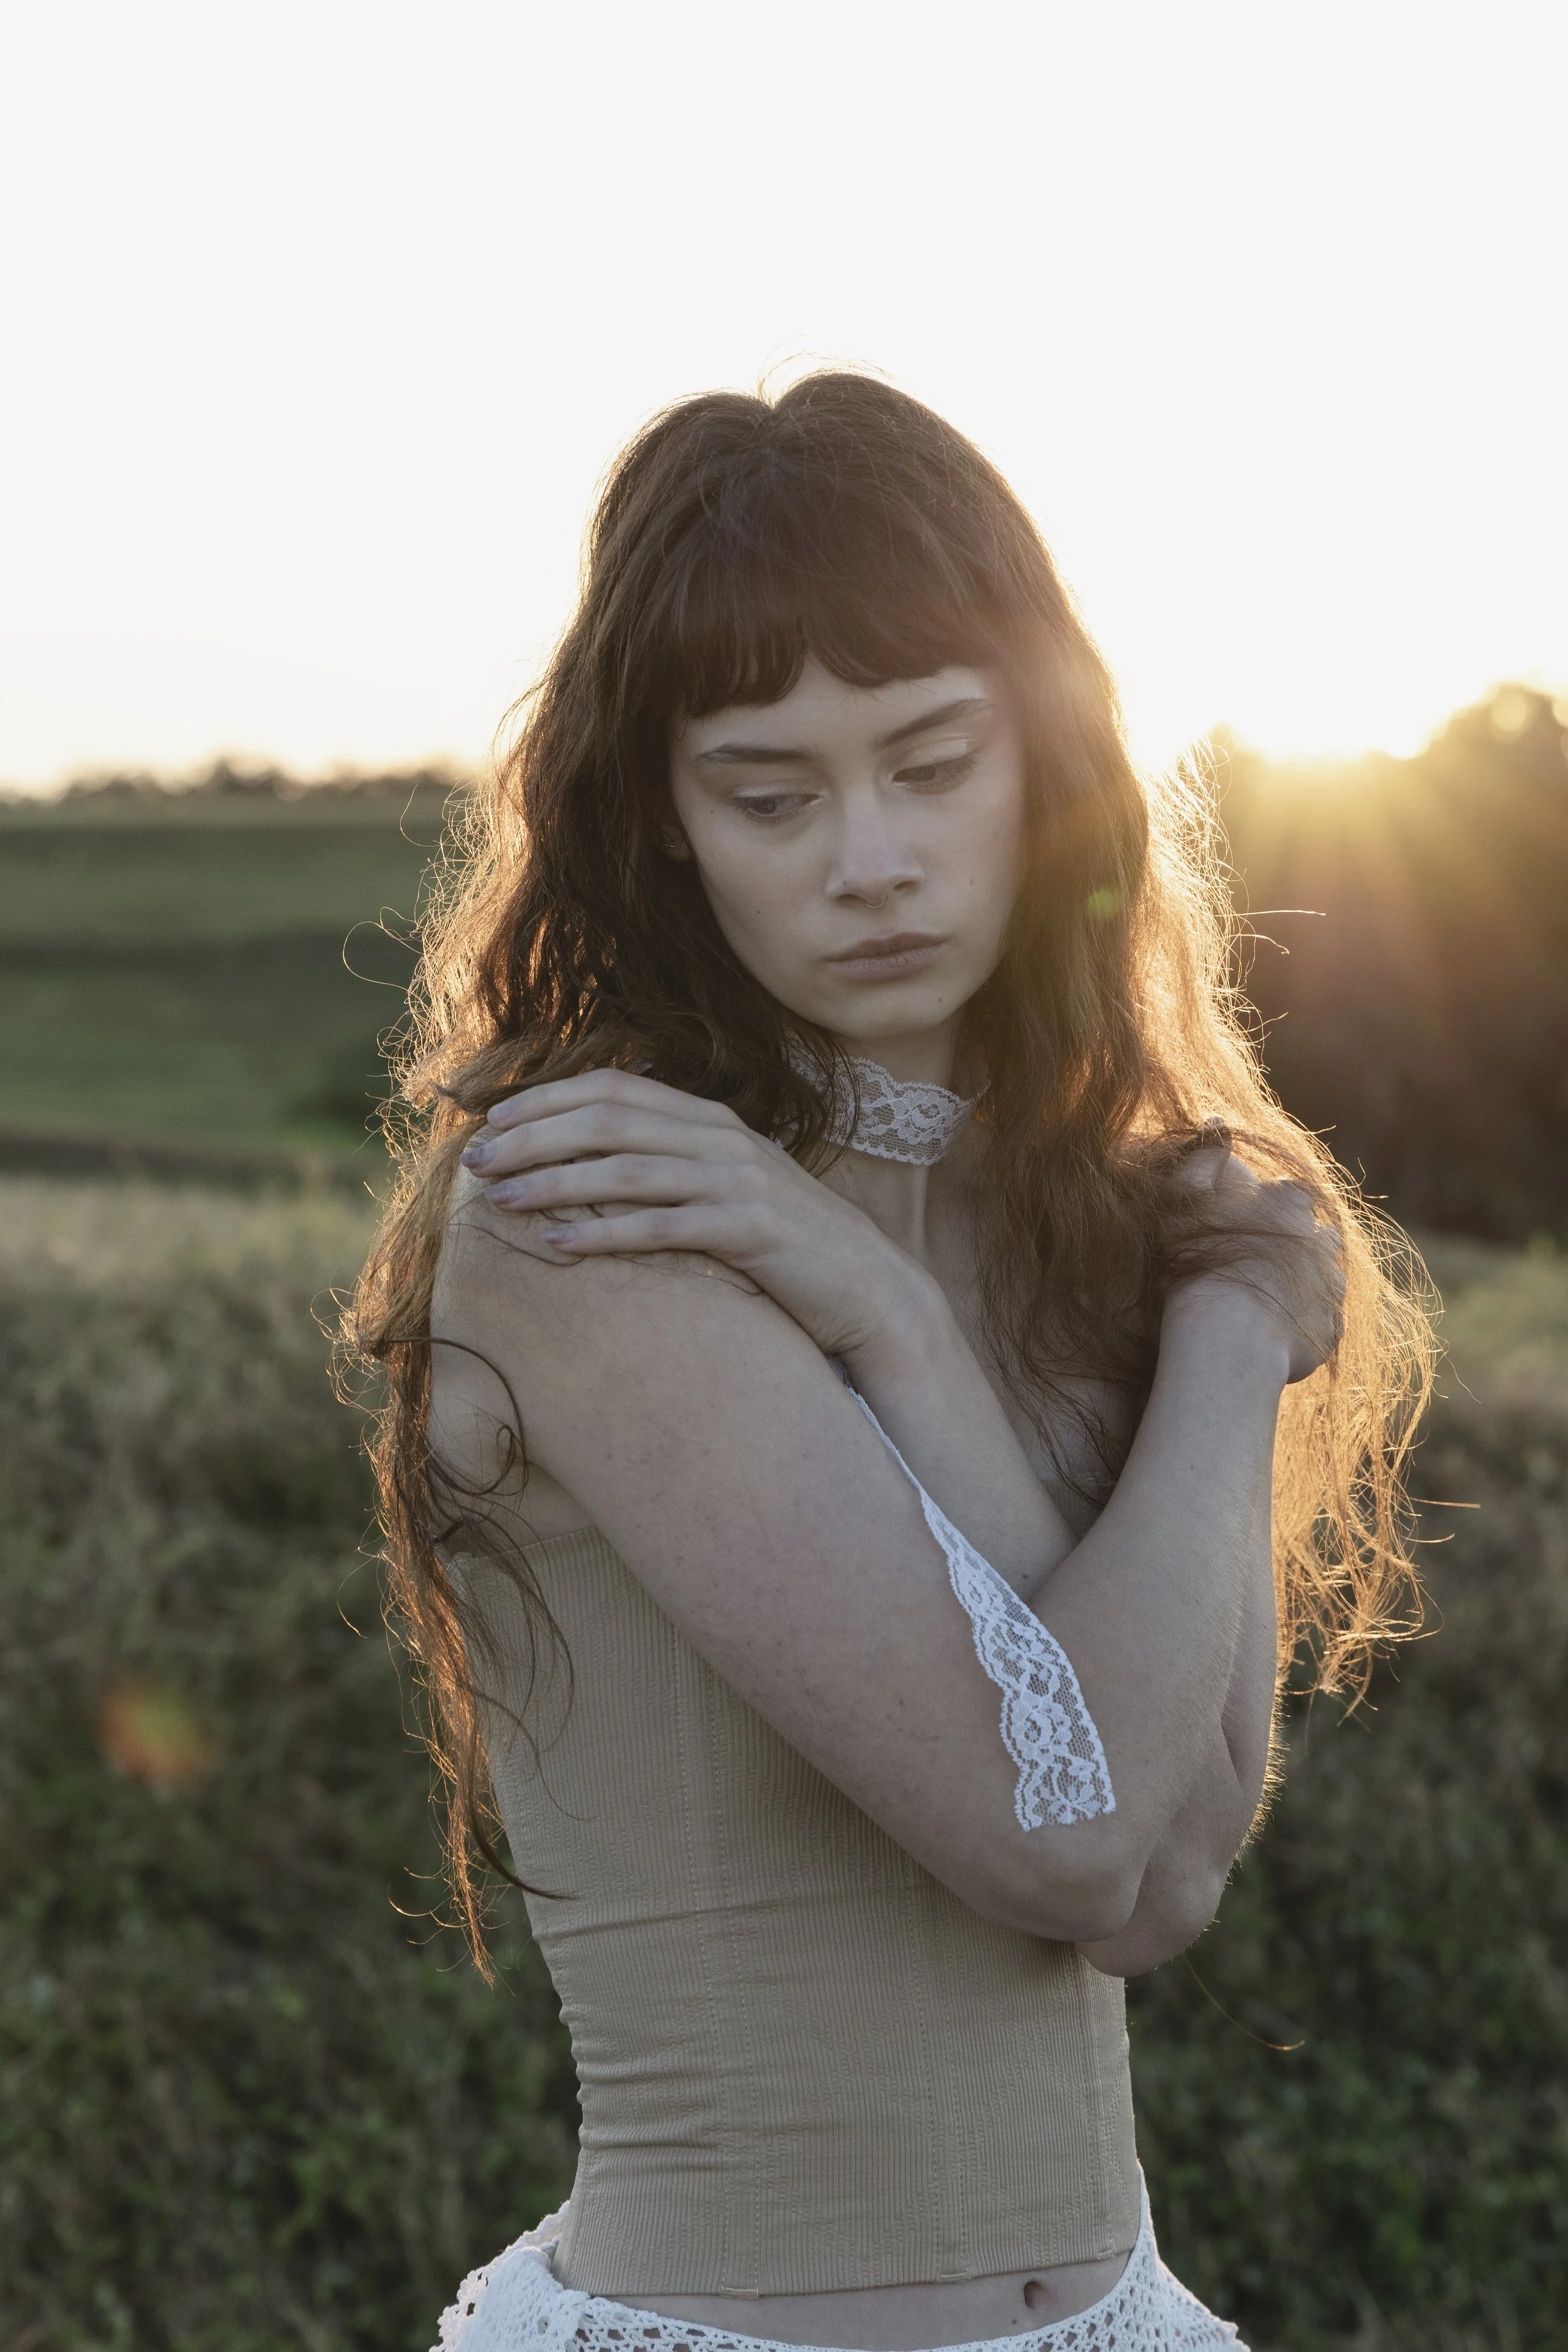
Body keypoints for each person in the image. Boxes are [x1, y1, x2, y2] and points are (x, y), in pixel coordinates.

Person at [350, 374, 1431, 2351]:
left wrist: (918, 1318)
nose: (870, 856)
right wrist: (1226, 1338)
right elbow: (1061, 1837)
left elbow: (1164, 1873)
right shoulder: (596, 1206)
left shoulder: (1090, 1214)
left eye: (932, 762)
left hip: (1121, 2314)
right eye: (769, 795)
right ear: (661, 823)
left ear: (1046, 763)